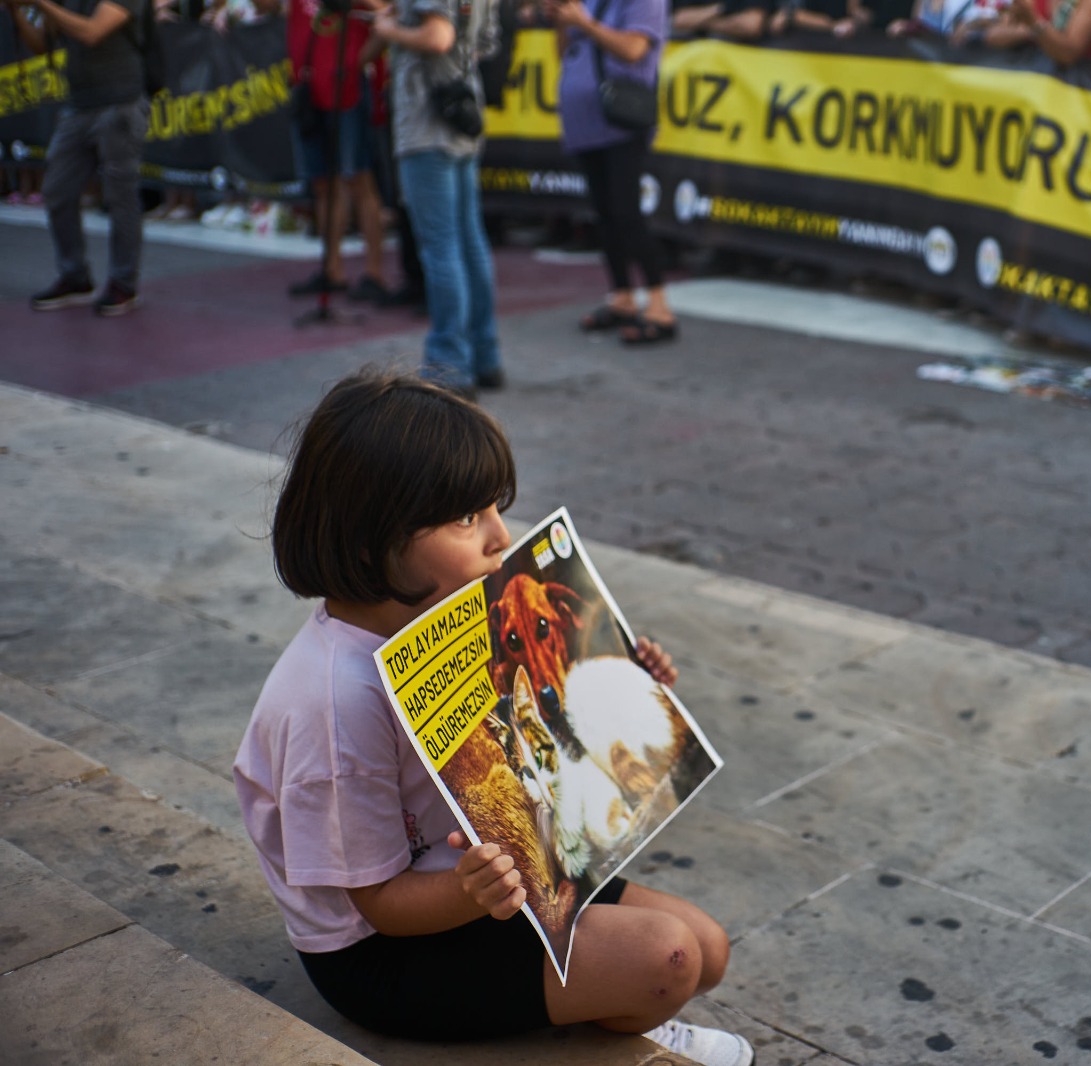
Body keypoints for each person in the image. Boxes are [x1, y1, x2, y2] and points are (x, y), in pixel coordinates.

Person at [234, 369, 755, 1066]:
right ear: (372, 543)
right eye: (465, 518)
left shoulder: (447, 616)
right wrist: (475, 891)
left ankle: (598, 1000)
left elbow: (538, 725)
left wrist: (623, 678)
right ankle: (604, 1025)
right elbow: (379, 906)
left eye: (491, 509)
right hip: (384, 954)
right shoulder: (333, 701)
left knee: (709, 951)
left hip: (498, 872)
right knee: (670, 959)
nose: (499, 536)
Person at [373, 0, 505, 395]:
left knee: (442, 247)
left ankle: (449, 363)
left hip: (427, 123)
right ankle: (485, 355)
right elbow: (484, 42)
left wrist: (389, 31)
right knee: (469, 242)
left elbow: (437, 36)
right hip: (461, 112)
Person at [545, 0, 679, 344]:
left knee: (626, 212)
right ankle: (621, 295)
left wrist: (583, 22)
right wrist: (562, 19)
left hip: (621, 122)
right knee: (604, 213)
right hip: (585, 123)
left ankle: (659, 303)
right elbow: (564, 52)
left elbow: (633, 49)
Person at [6, 0, 150, 315]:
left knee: (120, 195)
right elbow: (42, 45)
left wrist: (42, 3)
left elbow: (92, 32)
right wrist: (17, 11)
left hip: (120, 102)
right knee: (57, 190)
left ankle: (123, 283)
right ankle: (74, 275)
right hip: (79, 104)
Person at [287, 0, 393, 300]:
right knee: (323, 183)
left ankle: (374, 272)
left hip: (347, 86)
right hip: (311, 86)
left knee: (358, 178)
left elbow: (386, 13)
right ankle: (331, 268)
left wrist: (359, 61)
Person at [1003, 0, 1091, 64]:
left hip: (1079, 90)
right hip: (1039, 85)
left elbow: (1068, 54)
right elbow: (995, 34)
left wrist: (1034, 24)